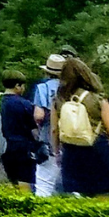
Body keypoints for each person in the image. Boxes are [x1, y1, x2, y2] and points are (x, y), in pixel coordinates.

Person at [55, 57, 109, 198]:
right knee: (105, 191)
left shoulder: (58, 100)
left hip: (70, 152)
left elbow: (55, 130)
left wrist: (57, 152)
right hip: (97, 149)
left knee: (77, 195)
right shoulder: (98, 99)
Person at [0, 71, 40, 190]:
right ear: (17, 86)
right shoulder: (24, 104)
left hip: (5, 146)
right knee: (25, 179)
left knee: (12, 180)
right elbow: (34, 129)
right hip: (23, 147)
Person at [39, 54, 73, 197]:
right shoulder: (71, 89)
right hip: (71, 137)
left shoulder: (43, 88)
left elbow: (39, 115)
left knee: (43, 182)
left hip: (49, 139)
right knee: (71, 179)